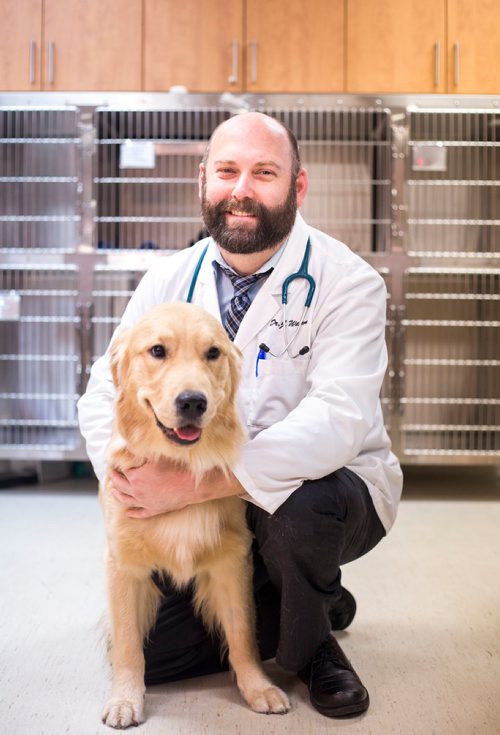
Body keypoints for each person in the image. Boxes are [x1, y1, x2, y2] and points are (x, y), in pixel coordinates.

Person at [78, 112, 403, 719]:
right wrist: (123, 478)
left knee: (299, 513)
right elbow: (104, 387)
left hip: (332, 491)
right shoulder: (169, 277)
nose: (242, 190)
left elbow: (339, 418)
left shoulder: (348, 282)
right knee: (166, 654)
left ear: (297, 187)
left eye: (264, 173)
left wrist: (191, 483)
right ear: (205, 181)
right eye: (227, 171)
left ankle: (313, 651)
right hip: (207, 510)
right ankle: (308, 598)